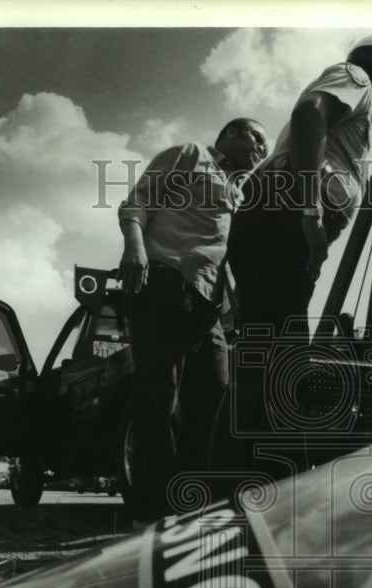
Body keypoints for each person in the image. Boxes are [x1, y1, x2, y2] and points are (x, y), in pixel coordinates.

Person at [220, 36, 372, 476]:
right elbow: (308, 113)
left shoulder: (356, 121)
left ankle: (229, 484)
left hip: (278, 220)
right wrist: (311, 211)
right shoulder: (358, 78)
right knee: (284, 361)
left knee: (263, 357)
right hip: (288, 214)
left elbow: (329, 154)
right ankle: (276, 490)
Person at [118, 117, 267, 523]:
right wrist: (135, 248)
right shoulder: (191, 155)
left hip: (209, 310)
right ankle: (151, 517)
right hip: (166, 282)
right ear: (232, 133)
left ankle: (198, 514)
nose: (262, 149)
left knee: (216, 410)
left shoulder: (242, 192)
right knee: (157, 401)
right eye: (257, 138)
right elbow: (135, 202)